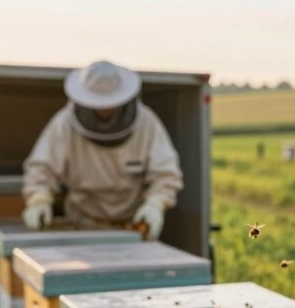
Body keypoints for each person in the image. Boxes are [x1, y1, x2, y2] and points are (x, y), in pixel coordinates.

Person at [21, 60, 183, 240]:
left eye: (110, 102)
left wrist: (155, 204)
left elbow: (165, 173)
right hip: (81, 224)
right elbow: (42, 167)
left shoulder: (146, 123)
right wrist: (39, 199)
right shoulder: (65, 123)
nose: (104, 109)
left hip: (134, 226)